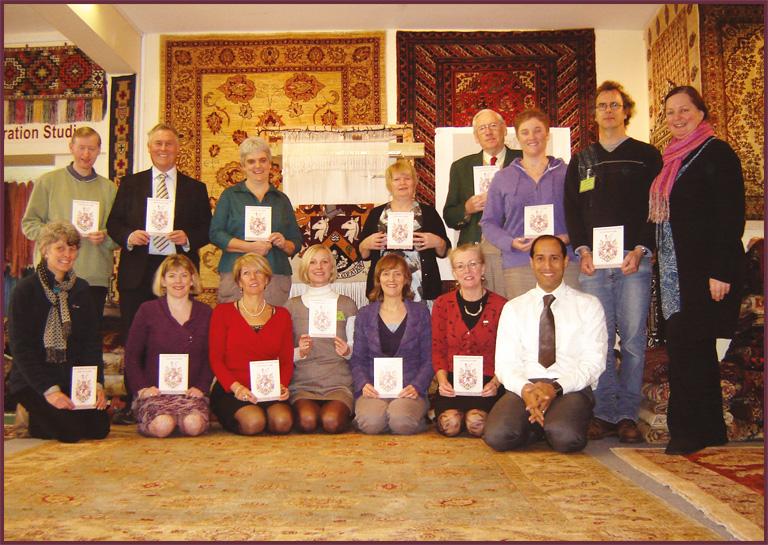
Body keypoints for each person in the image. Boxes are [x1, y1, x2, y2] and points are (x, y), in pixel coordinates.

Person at [563, 81, 663, 443]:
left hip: (632, 260)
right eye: (602, 105)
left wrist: (640, 250)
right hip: (593, 264)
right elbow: (572, 210)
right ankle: (604, 412)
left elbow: (657, 206)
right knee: (599, 340)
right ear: (594, 115)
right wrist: (583, 251)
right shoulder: (582, 159)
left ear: (626, 111)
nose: (608, 110)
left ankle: (627, 415)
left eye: (615, 105)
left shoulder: (647, 155)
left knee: (634, 340)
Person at [649, 86, 745, 456]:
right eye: (670, 112)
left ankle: (687, 431)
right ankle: (711, 429)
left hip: (706, 272)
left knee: (689, 349)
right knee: (695, 350)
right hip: (676, 273)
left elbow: (730, 215)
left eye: (684, 110)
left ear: (701, 113)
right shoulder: (670, 159)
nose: (677, 118)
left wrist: (720, 270)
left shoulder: (717, 154)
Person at [106, 123, 212, 424]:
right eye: (158, 144)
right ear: (149, 148)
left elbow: (207, 228)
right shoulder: (129, 184)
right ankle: (137, 401)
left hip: (177, 271)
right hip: (138, 274)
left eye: (169, 143)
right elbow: (113, 224)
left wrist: (187, 237)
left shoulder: (195, 188)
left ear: (178, 148)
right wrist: (130, 236)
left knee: (181, 339)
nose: (163, 148)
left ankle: (183, 396)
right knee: (135, 339)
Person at [483, 235, 607, 453]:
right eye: (540, 258)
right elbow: (505, 364)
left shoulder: (588, 305)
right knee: (496, 436)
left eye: (554, 258)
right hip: (526, 386)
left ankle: (552, 426)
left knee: (566, 439)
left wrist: (555, 387)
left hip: (570, 387)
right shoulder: (514, 308)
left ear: (566, 261)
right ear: (531, 263)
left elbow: (593, 364)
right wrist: (526, 390)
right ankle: (540, 428)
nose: (547, 266)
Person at [7, 220, 110, 443]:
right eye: (60, 248)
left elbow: (90, 343)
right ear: (45, 250)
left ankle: (51, 414)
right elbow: (20, 348)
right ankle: (33, 416)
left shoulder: (81, 289)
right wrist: (49, 391)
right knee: (70, 432)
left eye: (72, 248)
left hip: (69, 377)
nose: (68, 255)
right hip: (32, 379)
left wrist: (96, 384)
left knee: (98, 429)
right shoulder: (25, 290)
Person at [21, 127, 119, 323]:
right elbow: (29, 224)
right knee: (49, 339)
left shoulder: (110, 188)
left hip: (93, 278)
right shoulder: (48, 181)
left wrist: (105, 237)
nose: (86, 154)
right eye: (81, 147)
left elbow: (119, 235)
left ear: (99, 150)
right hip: (53, 276)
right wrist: (56, 237)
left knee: (86, 341)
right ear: (71, 147)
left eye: (91, 148)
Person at [480, 108, 580, 299]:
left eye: (538, 130)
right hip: (519, 264)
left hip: (563, 263)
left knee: (566, 323)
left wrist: (566, 238)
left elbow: (583, 217)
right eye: (525, 132)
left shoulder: (568, 174)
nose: (532, 137)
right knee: (524, 325)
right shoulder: (502, 177)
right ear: (517, 137)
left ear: (547, 134)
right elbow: (488, 222)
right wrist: (510, 243)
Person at [123, 255, 214, 438]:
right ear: (163, 281)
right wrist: (142, 389)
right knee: (163, 425)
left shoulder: (206, 313)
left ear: (192, 280)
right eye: (172, 276)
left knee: (193, 426)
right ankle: (160, 419)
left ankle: (182, 419)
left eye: (184, 275)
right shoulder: (147, 310)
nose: (178, 281)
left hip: (191, 393)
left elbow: (210, 356)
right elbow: (131, 356)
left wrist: (201, 387)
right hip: (155, 392)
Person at [209, 136, 303, 307]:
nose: (257, 166)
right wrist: (250, 247)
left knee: (271, 328)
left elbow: (296, 242)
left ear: (269, 164)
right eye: (251, 161)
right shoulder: (230, 196)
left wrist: (283, 243)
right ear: (243, 166)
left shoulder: (282, 200)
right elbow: (215, 234)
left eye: (262, 160)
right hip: (235, 275)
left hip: (275, 275)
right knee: (236, 329)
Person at [208, 253, 294, 435]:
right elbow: (215, 360)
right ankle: (246, 416)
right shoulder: (222, 312)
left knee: (283, 422)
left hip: (268, 387)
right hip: (232, 388)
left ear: (267, 279)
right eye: (246, 273)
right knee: (254, 422)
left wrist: (282, 385)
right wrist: (237, 388)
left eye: (258, 272)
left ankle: (264, 414)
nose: (253, 278)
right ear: (239, 282)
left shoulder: (282, 315)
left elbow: (286, 360)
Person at [350, 253, 434, 435]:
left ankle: (397, 417)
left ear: (406, 279)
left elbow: (429, 358)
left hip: (409, 389)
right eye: (386, 273)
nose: (392, 279)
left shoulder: (420, 313)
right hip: (374, 389)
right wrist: (364, 384)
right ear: (378, 279)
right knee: (371, 423)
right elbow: (357, 359)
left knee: (401, 421)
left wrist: (417, 386)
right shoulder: (364, 314)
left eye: (398, 274)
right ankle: (385, 416)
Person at [443, 109, 522, 296]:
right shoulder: (460, 167)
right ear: (476, 136)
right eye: (482, 128)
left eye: (493, 126)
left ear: (504, 130)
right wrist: (467, 209)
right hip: (476, 251)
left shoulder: (522, 160)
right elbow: (449, 216)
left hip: (514, 247)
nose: (488, 132)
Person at [431, 244, 507, 437]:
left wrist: (497, 383)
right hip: (452, 382)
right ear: (454, 273)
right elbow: (438, 348)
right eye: (461, 266)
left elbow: (509, 352)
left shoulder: (502, 305)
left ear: (482, 268)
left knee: (476, 423)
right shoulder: (442, 304)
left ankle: (473, 417)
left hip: (487, 384)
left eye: (473, 264)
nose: (467, 271)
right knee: (450, 425)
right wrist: (442, 382)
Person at [285, 245, 357, 433]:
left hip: (338, 382)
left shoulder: (346, 304)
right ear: (305, 268)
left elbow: (357, 347)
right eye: (313, 262)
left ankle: (343, 410)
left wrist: (348, 351)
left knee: (331, 421)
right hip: (303, 382)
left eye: (325, 262)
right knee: (307, 420)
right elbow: (282, 353)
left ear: (332, 268)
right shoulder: (291, 306)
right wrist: (299, 352)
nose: (319, 267)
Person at [359, 159, 450, 306]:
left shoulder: (429, 213)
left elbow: (444, 251)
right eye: (397, 179)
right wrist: (365, 244)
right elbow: (363, 255)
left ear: (414, 183)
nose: (402, 182)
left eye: (407, 178)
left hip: (421, 287)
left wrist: (438, 242)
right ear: (389, 185)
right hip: (385, 287)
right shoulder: (376, 214)